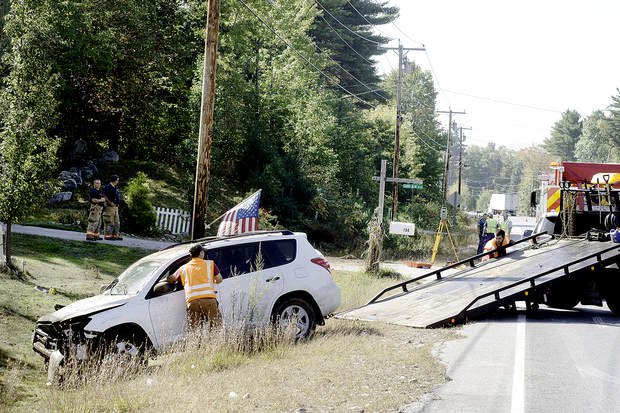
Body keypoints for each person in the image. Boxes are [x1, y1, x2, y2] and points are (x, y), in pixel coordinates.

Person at [167, 244, 223, 329]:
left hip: (192, 301)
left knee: (194, 329)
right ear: (201, 253)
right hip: (209, 299)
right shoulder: (210, 264)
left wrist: (166, 280)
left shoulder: (183, 268)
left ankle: (196, 342)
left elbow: (171, 279)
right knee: (216, 327)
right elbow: (219, 279)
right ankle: (215, 342)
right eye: (203, 252)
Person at [103, 175, 123, 240]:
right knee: (110, 221)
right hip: (110, 207)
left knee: (117, 222)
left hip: (116, 207)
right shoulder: (108, 186)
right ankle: (108, 236)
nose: (118, 181)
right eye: (117, 180)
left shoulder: (115, 187)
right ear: (114, 180)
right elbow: (104, 195)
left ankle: (115, 235)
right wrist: (109, 202)